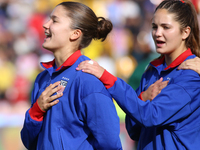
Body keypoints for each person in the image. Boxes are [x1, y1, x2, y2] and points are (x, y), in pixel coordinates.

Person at [76, 0, 200, 149]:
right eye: (154, 27)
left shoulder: (191, 74)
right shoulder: (152, 70)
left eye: (166, 27)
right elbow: (133, 129)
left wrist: (107, 78)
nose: (157, 33)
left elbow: (150, 116)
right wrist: (142, 98)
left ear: (185, 32)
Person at [20, 2, 122, 150]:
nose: (45, 25)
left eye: (54, 20)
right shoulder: (41, 79)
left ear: (75, 34)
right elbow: (29, 142)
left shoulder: (89, 79)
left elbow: (110, 144)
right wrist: (36, 111)